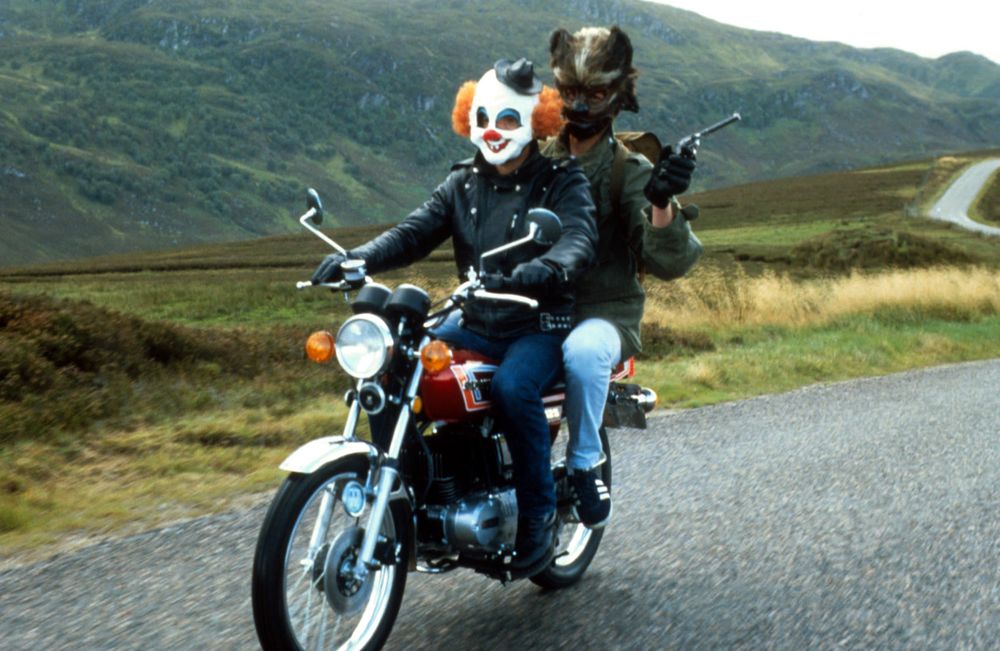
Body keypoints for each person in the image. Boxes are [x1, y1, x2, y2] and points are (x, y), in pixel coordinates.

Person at [312, 58, 597, 575]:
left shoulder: (561, 180)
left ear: (537, 120)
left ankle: (536, 520)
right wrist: (359, 258)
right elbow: (412, 232)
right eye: (484, 116)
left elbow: (577, 237)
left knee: (513, 389)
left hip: (537, 324)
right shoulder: (462, 184)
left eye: (508, 119)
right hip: (475, 317)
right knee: (393, 362)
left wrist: (547, 267)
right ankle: (412, 490)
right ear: (469, 117)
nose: (493, 130)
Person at [541, 26, 703, 528]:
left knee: (585, 352)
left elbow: (671, 262)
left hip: (603, 313)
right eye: (570, 91)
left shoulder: (626, 170)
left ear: (617, 94)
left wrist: (660, 203)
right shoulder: (533, 159)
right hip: (534, 312)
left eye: (594, 92)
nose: (581, 104)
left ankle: (585, 461)